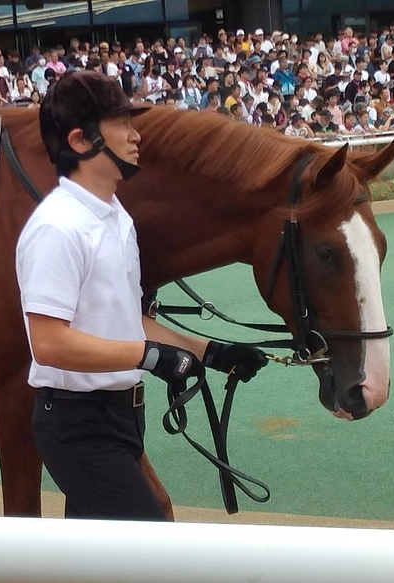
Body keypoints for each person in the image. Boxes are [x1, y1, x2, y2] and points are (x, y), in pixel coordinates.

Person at [15, 71, 267, 520]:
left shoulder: (117, 217)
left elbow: (128, 320)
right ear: (80, 140)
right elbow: (48, 343)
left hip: (122, 417)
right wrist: (150, 357)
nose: (136, 136)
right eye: (122, 124)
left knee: (100, 552)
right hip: (78, 425)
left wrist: (211, 352)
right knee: (149, 543)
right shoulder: (57, 227)